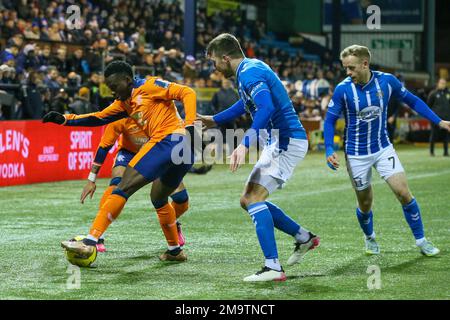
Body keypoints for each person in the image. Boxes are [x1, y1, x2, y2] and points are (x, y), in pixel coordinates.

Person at [43, 60, 197, 263]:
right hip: (183, 150)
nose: (113, 93)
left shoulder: (150, 85)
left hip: (169, 141)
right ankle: (175, 251)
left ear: (127, 80)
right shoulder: (124, 104)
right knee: (158, 198)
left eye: (115, 87)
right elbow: (98, 118)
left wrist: (190, 125)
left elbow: (187, 92)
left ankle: (90, 242)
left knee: (122, 188)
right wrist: (65, 119)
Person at [197, 33, 319, 282]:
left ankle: (273, 267)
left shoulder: (249, 72)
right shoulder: (248, 70)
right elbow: (247, 104)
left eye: (214, 62)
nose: (214, 68)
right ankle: (303, 237)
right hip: (278, 140)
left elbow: (266, 108)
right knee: (248, 199)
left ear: (225, 57)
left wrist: (244, 144)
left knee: (253, 198)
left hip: (285, 141)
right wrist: (215, 119)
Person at [324, 45, 450, 256]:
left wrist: (438, 121)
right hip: (356, 154)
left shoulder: (387, 81)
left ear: (365, 64)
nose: (348, 73)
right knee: (365, 203)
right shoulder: (343, 89)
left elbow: (413, 101)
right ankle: (369, 237)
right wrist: (329, 149)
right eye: (345, 68)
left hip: (383, 148)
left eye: (351, 68)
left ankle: (421, 241)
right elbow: (329, 121)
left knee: (403, 193)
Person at [80, 117, 190, 252]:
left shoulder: (159, 110)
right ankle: (97, 236)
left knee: (181, 199)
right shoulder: (120, 113)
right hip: (129, 154)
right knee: (117, 184)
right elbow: (104, 146)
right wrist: (91, 179)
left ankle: (174, 223)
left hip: (156, 153)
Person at [427, 78, 450, 156]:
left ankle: (446, 152)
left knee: (446, 136)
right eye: (441, 83)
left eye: (444, 83)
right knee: (433, 135)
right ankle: (431, 151)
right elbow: (428, 105)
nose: (442, 85)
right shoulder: (433, 93)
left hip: (446, 118)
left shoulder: (448, 93)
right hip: (436, 119)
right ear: (438, 83)